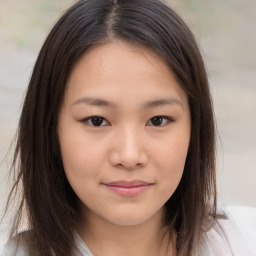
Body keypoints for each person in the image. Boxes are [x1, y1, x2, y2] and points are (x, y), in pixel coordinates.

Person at [0, 0, 255, 255]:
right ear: (50, 130)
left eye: (158, 120)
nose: (129, 156)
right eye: (97, 120)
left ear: (195, 127)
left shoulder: (245, 240)